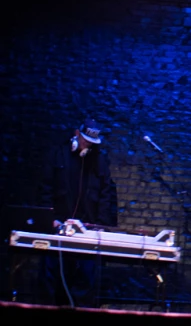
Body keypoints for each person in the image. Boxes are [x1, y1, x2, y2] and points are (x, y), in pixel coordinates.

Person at [36, 116, 118, 307]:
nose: (87, 145)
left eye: (91, 143)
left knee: (86, 276)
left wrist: (101, 225)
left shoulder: (99, 161)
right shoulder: (58, 155)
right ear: (76, 134)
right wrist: (50, 218)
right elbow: (46, 188)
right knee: (51, 274)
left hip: (88, 229)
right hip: (58, 226)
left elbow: (106, 194)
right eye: (85, 140)